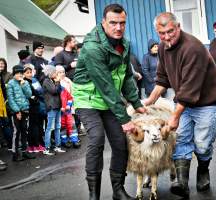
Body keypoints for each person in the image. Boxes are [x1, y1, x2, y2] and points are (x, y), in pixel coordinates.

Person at [144, 12, 216, 198]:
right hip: (184, 100)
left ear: (178, 27)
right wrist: (150, 101)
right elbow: (162, 78)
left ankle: (203, 170)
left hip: (206, 102)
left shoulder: (192, 48)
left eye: (170, 31)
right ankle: (181, 183)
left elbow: (189, 90)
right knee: (180, 139)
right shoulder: (163, 47)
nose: (166, 37)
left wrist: (174, 116)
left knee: (202, 144)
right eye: (161, 33)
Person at [72, 4, 146, 200]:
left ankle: (118, 190)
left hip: (108, 101)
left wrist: (136, 102)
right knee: (96, 139)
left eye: (122, 23)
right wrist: (124, 118)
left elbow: (126, 75)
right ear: (103, 23)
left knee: (121, 143)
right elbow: (105, 84)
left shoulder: (125, 44)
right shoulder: (92, 48)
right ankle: (93, 195)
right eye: (113, 23)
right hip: (88, 99)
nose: (118, 27)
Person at [7, 65, 35, 161]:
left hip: (25, 110)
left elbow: (29, 95)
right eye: (17, 73)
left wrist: (24, 84)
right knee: (17, 132)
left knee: (24, 131)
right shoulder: (11, 83)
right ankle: (15, 154)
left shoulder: (25, 82)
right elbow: (10, 99)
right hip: (17, 112)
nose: (19, 75)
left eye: (21, 73)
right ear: (14, 74)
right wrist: (17, 111)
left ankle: (24, 151)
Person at [42, 65, 66, 156]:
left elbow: (59, 90)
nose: (56, 74)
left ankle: (57, 146)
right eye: (54, 72)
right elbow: (54, 91)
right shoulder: (46, 81)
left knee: (57, 127)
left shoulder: (54, 81)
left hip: (57, 106)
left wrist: (57, 82)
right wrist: (58, 82)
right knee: (50, 128)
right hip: (51, 107)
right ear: (50, 73)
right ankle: (47, 148)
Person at [56, 65, 81, 148]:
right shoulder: (55, 84)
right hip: (60, 109)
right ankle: (64, 140)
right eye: (60, 72)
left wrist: (69, 105)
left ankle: (74, 139)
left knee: (71, 124)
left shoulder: (67, 81)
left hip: (68, 108)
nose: (62, 73)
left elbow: (71, 95)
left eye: (63, 72)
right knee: (62, 125)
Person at [23, 64, 46, 153]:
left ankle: (35, 144)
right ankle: (35, 145)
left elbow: (39, 92)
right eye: (27, 73)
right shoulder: (25, 82)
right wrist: (34, 97)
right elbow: (34, 93)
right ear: (23, 74)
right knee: (34, 126)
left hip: (36, 106)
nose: (29, 74)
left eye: (30, 72)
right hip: (32, 107)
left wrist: (35, 96)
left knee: (36, 126)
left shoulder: (33, 80)